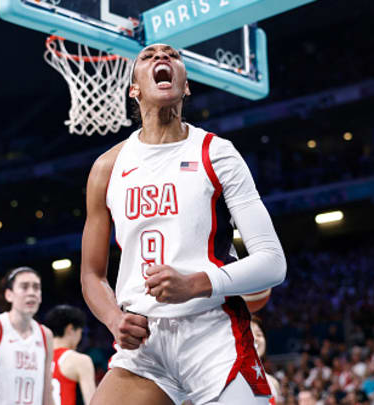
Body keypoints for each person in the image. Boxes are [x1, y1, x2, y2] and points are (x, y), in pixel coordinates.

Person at [80, 43, 287, 405]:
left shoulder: (217, 153)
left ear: (186, 86)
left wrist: (195, 283)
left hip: (211, 331)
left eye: (172, 55)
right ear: (134, 89)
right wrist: (115, 320)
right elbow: (91, 275)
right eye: (148, 56)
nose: (162, 57)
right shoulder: (107, 168)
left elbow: (272, 261)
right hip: (145, 341)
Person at [0, 267, 55, 405]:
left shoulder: (45, 335)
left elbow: (47, 388)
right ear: (9, 295)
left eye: (36, 288)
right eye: (24, 287)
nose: (32, 293)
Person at [44, 305, 97, 405]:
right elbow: (91, 402)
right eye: (80, 332)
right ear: (70, 329)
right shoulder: (80, 361)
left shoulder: (38, 358)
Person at [251, 317, 281, 404]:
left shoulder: (273, 383)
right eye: (249, 333)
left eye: (259, 334)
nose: (255, 338)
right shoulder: (227, 378)